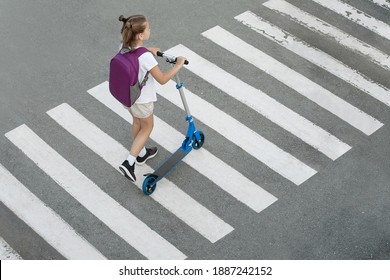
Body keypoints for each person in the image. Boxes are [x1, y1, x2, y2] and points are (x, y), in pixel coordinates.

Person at [118, 14, 187, 182]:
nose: (150, 29)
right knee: (147, 127)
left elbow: (138, 53)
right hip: (142, 100)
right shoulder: (146, 58)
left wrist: (149, 50)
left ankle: (141, 154)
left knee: (137, 122)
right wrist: (178, 65)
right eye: (148, 28)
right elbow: (162, 79)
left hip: (128, 97)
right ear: (141, 35)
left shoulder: (123, 46)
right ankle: (129, 162)